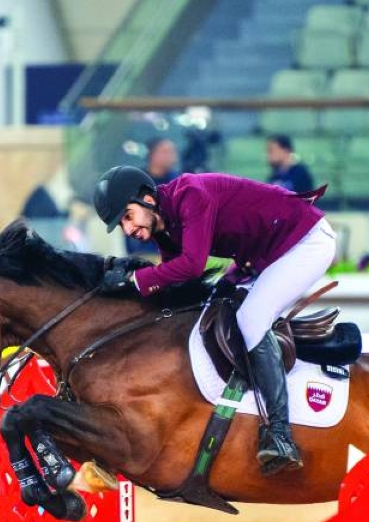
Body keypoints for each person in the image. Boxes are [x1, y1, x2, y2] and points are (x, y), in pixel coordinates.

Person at [92, 166, 335, 475]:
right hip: (265, 255)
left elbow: (192, 265)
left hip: (305, 242)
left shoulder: (191, 195)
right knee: (214, 307)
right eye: (122, 224)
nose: (129, 230)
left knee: (251, 319)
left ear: (146, 198)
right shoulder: (164, 227)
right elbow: (174, 281)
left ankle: (280, 435)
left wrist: (136, 280)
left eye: (127, 216)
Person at [125, 137, 181, 256]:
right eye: (166, 151)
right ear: (152, 155)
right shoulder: (136, 180)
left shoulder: (179, 181)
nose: (172, 155)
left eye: (173, 151)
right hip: (142, 249)